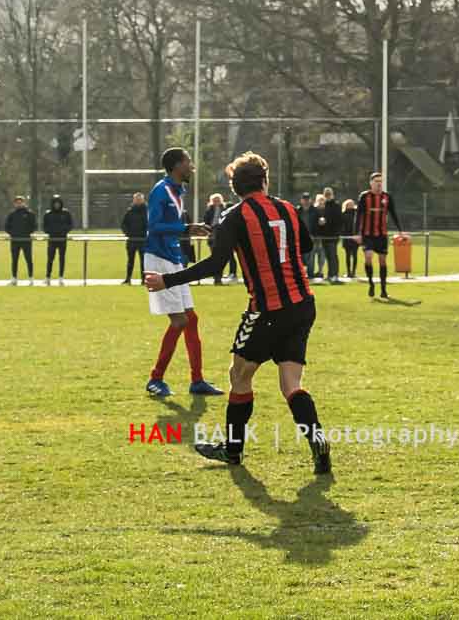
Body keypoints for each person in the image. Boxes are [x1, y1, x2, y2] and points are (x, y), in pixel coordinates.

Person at [147, 152, 329, 472]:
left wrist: (167, 281)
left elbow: (216, 264)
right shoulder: (287, 208)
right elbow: (308, 246)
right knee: (291, 383)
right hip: (303, 305)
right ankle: (317, 440)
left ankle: (232, 451)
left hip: (267, 309)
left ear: (234, 187)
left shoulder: (235, 216)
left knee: (238, 376)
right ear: (265, 181)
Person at [141, 149, 219, 398]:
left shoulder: (176, 190)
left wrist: (185, 233)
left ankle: (197, 381)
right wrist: (187, 227)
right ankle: (155, 379)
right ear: (176, 166)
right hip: (159, 258)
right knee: (180, 321)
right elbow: (153, 226)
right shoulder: (161, 190)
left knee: (191, 319)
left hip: (173, 258)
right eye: (187, 161)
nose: (191, 165)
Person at [356, 172, 406, 299]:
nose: (379, 184)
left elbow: (393, 213)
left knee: (382, 260)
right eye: (376, 181)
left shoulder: (387, 197)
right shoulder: (364, 196)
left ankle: (383, 289)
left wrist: (400, 230)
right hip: (368, 234)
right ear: (371, 183)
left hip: (381, 235)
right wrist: (356, 233)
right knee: (368, 256)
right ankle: (371, 283)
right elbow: (358, 216)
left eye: (380, 181)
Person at [3, 196, 35, 283]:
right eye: (17, 202)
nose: (19, 203)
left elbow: (33, 226)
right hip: (15, 240)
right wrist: (13, 233)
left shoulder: (29, 213)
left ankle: (31, 277)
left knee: (29, 259)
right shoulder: (12, 214)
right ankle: (14, 278)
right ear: (14, 204)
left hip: (26, 240)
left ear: (24, 203)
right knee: (14, 260)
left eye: (20, 202)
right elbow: (6, 227)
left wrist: (26, 233)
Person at [42, 196, 73, 284]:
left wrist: (63, 231)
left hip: (62, 239)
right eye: (55, 203)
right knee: (50, 258)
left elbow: (70, 225)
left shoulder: (66, 213)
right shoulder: (48, 214)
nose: (56, 205)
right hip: (52, 239)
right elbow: (45, 227)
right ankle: (48, 277)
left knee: (62, 258)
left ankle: (61, 277)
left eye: (58, 203)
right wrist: (52, 231)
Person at [312, 186, 340, 282]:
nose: (327, 195)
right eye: (326, 194)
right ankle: (330, 274)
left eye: (329, 194)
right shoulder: (323, 206)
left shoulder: (336, 205)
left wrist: (327, 221)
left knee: (333, 255)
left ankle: (334, 274)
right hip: (324, 235)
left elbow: (337, 220)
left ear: (332, 194)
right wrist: (320, 222)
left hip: (333, 235)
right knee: (328, 256)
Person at [121, 192, 147, 283]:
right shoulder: (130, 211)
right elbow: (124, 224)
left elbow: (150, 225)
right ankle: (128, 279)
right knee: (130, 261)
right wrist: (128, 234)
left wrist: (145, 234)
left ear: (143, 200)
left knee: (144, 261)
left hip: (143, 240)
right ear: (133, 200)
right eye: (136, 199)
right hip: (131, 240)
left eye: (139, 199)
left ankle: (144, 279)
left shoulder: (147, 211)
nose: (138, 201)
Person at [339, 198, 359, 280]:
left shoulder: (357, 214)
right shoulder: (343, 214)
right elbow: (341, 225)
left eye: (352, 204)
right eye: (349, 204)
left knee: (355, 255)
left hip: (355, 237)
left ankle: (353, 272)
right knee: (347, 255)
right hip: (347, 237)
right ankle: (348, 272)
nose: (351, 205)